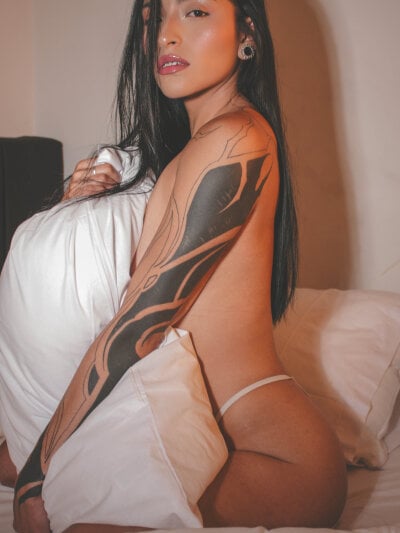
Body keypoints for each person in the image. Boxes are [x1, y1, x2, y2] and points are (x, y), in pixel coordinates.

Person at [3, 0, 347, 531]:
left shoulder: (236, 139)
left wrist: (34, 476)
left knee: (81, 513)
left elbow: (137, 326)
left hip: (272, 456)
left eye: (195, 12)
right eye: (153, 18)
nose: (165, 35)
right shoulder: (180, 157)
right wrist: (75, 208)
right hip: (181, 427)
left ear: (247, 32)